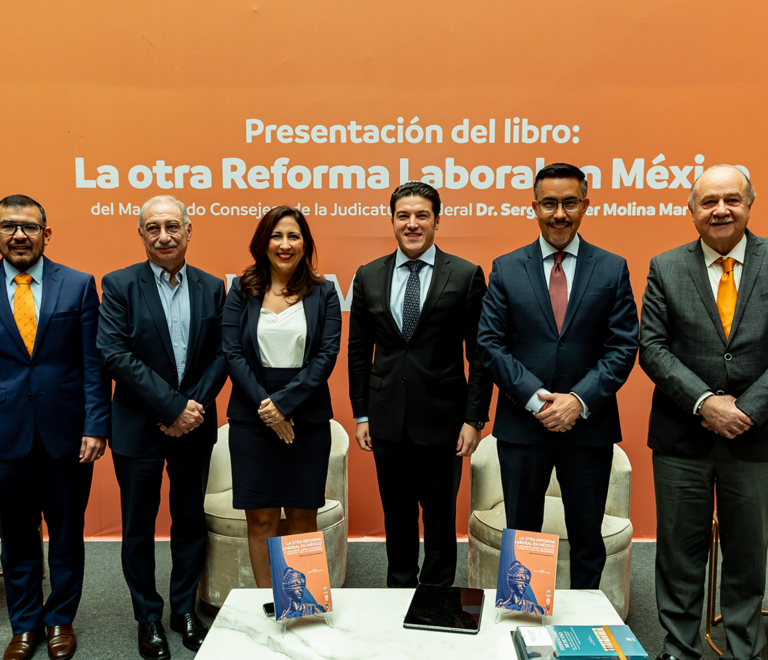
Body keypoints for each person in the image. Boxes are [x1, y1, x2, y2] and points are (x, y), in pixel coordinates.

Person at [477, 162, 638, 590]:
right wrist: (537, 399)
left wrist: (577, 401)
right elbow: (490, 344)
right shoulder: (506, 268)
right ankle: (524, 619)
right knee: (523, 539)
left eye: (570, 203)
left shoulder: (612, 268)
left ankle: (583, 624)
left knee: (587, 539)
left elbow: (623, 347)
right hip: (523, 426)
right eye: (549, 204)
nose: (559, 214)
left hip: (588, 426)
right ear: (534, 207)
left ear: (585, 205)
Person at [639, 164, 768, 660]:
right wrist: (705, 403)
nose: (721, 210)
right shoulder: (666, 266)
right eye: (709, 201)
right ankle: (679, 648)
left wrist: (747, 410)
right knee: (679, 553)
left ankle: (745, 649)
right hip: (682, 437)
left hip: (757, 437)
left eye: (731, 199)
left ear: (749, 204)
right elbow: (652, 348)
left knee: (748, 554)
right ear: (691, 212)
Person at [97, 195, 228, 660]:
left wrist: (191, 409)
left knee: (190, 521)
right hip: (139, 427)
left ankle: (183, 609)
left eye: (172, 226)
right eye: (153, 228)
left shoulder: (213, 287)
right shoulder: (118, 285)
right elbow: (115, 354)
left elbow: (223, 353)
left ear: (189, 231)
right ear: (141, 234)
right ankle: (148, 616)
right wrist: (173, 407)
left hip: (195, 426)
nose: (164, 236)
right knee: (138, 527)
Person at [348, 181, 492, 588]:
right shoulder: (368, 275)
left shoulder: (464, 275)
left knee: (440, 517)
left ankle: (436, 597)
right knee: (396, 514)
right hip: (386, 417)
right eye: (403, 216)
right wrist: (361, 414)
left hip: (445, 420)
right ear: (392, 220)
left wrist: (474, 419)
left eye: (422, 215)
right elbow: (358, 351)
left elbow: (480, 356)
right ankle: (399, 592)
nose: (412, 224)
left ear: (436, 221)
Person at [0, 194, 111, 660]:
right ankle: (25, 625)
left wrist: (96, 425)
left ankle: (60, 618)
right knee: (16, 536)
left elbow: (94, 363)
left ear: (46, 233)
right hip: (5, 435)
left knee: (66, 534)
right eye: (9, 226)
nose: (19, 235)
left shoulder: (79, 285)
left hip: (66, 435)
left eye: (29, 226)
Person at [222, 206, 341, 587]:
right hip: (251, 418)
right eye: (276, 236)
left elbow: (326, 355)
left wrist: (284, 405)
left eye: (293, 236)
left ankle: (300, 606)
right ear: (264, 243)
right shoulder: (241, 289)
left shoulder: (324, 292)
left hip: (306, 420)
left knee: (303, 517)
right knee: (261, 519)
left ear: (305, 244)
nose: (285, 245)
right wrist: (268, 409)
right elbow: (232, 353)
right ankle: (269, 604)